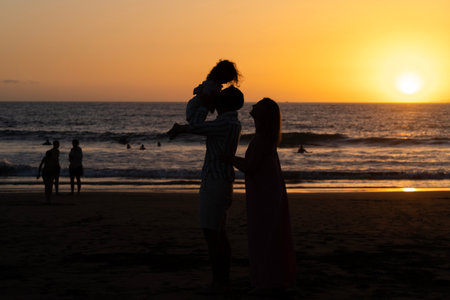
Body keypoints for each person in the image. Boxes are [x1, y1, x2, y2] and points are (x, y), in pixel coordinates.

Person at [168, 86, 244, 294]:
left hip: (216, 182)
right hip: (220, 181)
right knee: (218, 233)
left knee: (212, 234)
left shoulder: (226, 123)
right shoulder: (230, 122)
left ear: (224, 103)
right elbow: (196, 127)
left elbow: (195, 125)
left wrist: (203, 101)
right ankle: (222, 280)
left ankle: (219, 282)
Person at [230, 98, 296, 295]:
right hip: (268, 189)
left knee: (263, 235)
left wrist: (227, 157)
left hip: (264, 193)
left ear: (263, 115)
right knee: (270, 234)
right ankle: (271, 279)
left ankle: (266, 281)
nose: (253, 106)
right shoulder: (266, 138)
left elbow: (249, 166)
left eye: (257, 105)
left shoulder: (261, 140)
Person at [186, 59, 240, 125]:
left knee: (197, 122)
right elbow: (207, 98)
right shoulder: (211, 85)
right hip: (197, 106)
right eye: (227, 79)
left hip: (196, 106)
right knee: (195, 124)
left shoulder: (213, 85)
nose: (226, 82)